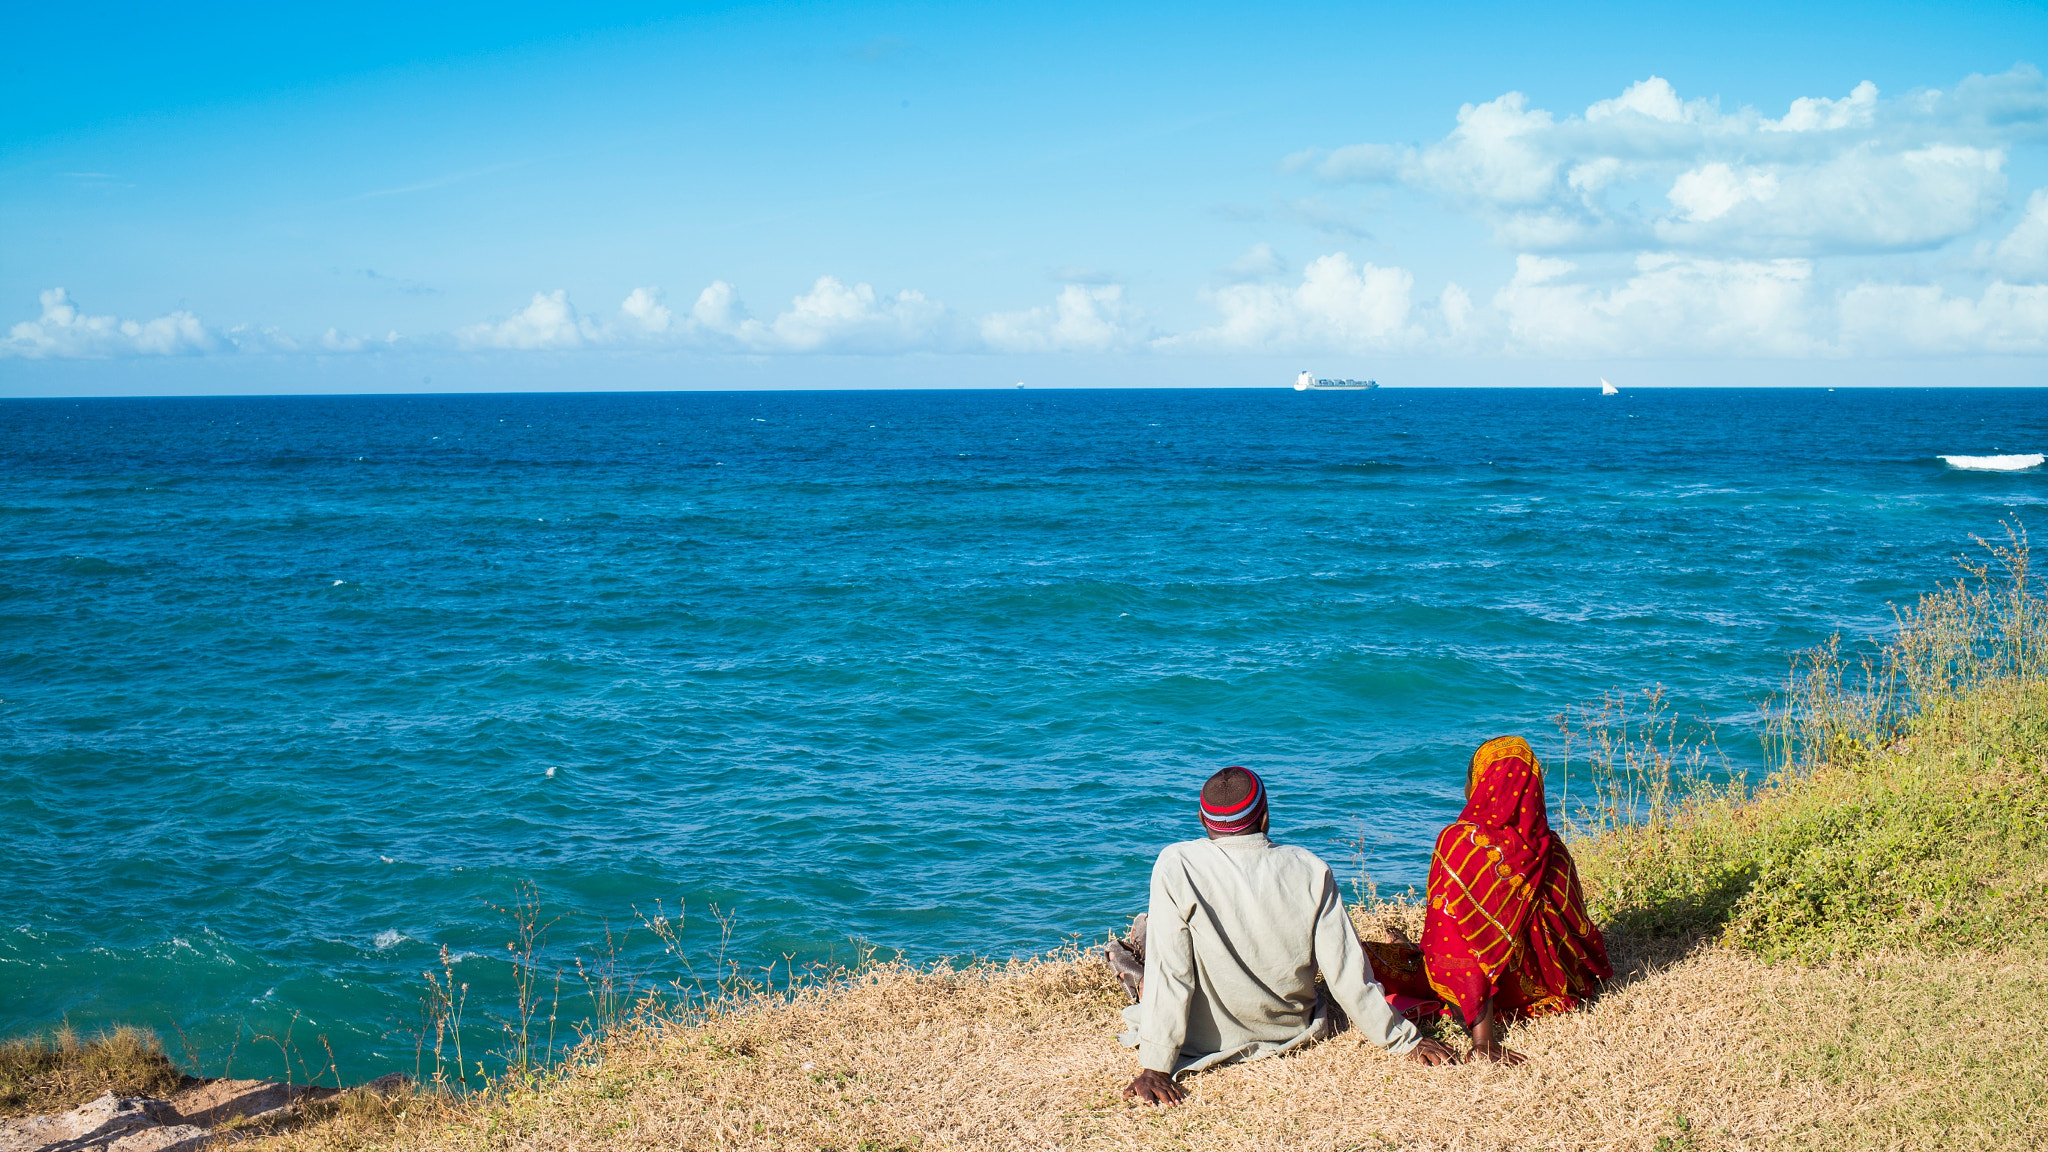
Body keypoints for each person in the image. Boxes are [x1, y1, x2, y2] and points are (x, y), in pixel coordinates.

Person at [1110, 766, 1459, 1105]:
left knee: (1148, 932)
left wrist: (1156, 1066)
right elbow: (1346, 972)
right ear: (1264, 818)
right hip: (1286, 1029)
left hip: (1202, 1039)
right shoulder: (1310, 867)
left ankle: (1133, 967)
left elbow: (1173, 973)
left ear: (1203, 821)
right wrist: (1403, 1040)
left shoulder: (1177, 863)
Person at [1421, 736, 1612, 1063]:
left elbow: (1455, 940)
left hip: (1484, 1004)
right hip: (1558, 991)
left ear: (1480, 784)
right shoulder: (1554, 850)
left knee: (1407, 956)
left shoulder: (1459, 844)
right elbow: (1577, 931)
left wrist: (1483, 1041)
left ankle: (1482, 1037)